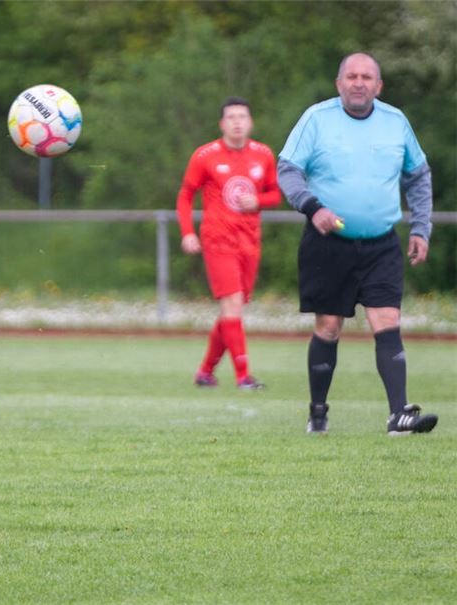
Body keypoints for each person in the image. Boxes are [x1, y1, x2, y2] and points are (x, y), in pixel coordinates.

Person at [278, 52, 438, 435]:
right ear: (339, 83)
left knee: (387, 321)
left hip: (381, 244)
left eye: (367, 77)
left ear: (378, 86)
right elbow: (287, 170)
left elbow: (418, 176)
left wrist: (420, 227)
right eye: (351, 76)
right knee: (329, 326)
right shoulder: (316, 119)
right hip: (328, 244)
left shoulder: (395, 122)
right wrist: (313, 207)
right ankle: (318, 412)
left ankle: (399, 415)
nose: (359, 82)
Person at [176, 97, 280, 390]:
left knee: (231, 311)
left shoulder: (263, 155)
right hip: (218, 239)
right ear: (222, 123)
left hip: (250, 242)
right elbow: (185, 195)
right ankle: (243, 376)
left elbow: (274, 195)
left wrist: (257, 201)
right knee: (233, 305)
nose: (237, 122)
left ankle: (205, 372)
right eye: (231, 117)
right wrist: (188, 232)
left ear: (250, 122)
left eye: (242, 117)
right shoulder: (205, 155)